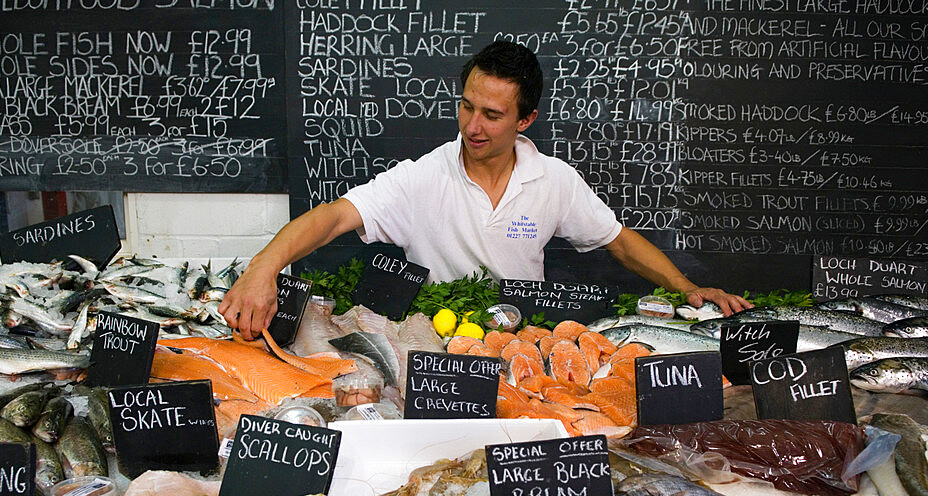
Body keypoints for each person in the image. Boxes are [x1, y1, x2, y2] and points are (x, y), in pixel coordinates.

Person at [220, 41, 751, 339]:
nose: (473, 125)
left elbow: (619, 241)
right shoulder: (423, 176)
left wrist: (687, 287)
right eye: (467, 106)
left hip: (527, 343)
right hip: (435, 347)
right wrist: (262, 269)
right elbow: (333, 218)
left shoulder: (555, 179)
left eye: (493, 115)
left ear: (526, 120)